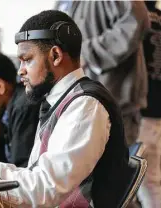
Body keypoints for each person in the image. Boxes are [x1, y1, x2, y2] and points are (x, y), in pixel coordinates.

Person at [0, 10, 130, 207]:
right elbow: (33, 175)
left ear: (55, 56)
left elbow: (43, 189)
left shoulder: (85, 105)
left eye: (27, 60)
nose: (20, 71)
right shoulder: (61, 100)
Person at [55, 1, 150, 145]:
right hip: (75, 105)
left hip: (113, 106)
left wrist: (86, 53)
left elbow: (136, 21)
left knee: (112, 165)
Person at [137, 1, 161, 208]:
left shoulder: (136, 18)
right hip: (157, 111)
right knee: (152, 182)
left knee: (132, 181)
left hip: (139, 113)